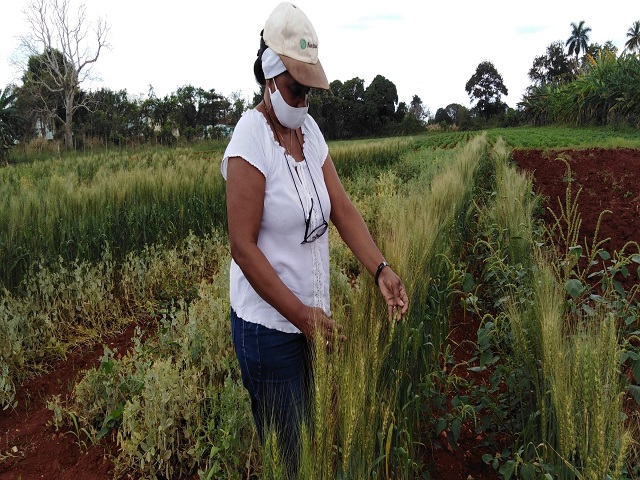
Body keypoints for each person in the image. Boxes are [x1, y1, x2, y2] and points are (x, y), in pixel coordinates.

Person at [220, 2, 409, 476]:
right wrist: (303, 317)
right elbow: (241, 246)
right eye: (295, 90)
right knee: (291, 460)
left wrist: (381, 270)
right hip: (270, 330)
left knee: (304, 443)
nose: (302, 102)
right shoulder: (251, 138)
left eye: (308, 93)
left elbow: (341, 209)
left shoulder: (309, 131)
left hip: (308, 323)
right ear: (269, 74)